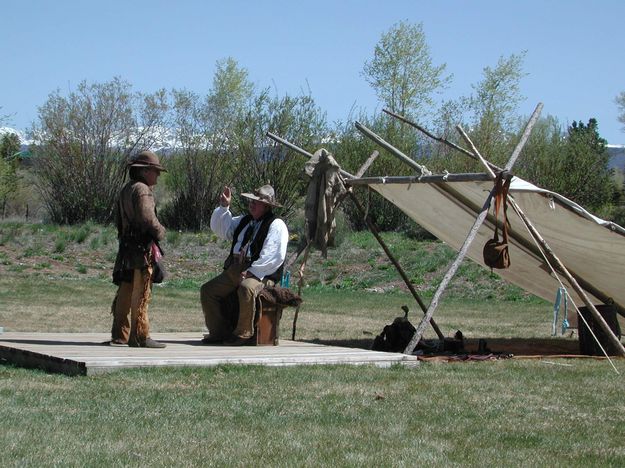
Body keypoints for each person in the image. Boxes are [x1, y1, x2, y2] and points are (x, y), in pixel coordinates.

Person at [200, 184, 288, 346]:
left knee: (246, 288)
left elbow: (274, 255)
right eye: (251, 201)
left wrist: (251, 272)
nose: (251, 204)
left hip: (262, 273)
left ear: (267, 206)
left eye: (256, 202)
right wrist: (224, 207)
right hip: (236, 269)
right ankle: (218, 332)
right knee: (208, 290)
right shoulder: (245, 221)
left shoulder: (276, 225)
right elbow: (221, 229)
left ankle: (243, 333)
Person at [109, 150, 167, 348]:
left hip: (126, 246)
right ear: (145, 171)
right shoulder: (142, 190)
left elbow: (118, 220)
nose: (157, 175)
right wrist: (160, 231)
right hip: (142, 247)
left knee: (125, 289)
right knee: (141, 292)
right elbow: (147, 218)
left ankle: (120, 334)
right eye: (155, 171)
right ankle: (139, 335)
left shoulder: (127, 189)